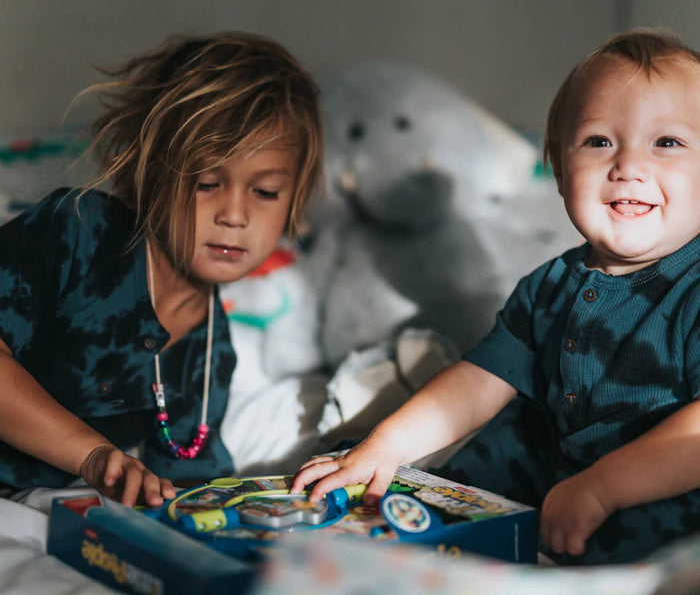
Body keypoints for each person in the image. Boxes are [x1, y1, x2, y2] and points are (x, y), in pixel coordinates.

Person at [293, 28, 700, 565]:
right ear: (558, 169)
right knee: (500, 437)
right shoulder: (549, 285)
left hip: (663, 485)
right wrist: (383, 446)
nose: (628, 165)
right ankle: (430, 538)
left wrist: (604, 488)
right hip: (559, 462)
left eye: (666, 142)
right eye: (599, 141)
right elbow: (477, 381)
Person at [0, 31, 323, 507]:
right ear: (148, 171)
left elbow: (187, 484)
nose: (235, 215)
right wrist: (92, 456)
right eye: (207, 183)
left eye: (266, 192)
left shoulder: (209, 351)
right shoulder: (77, 232)